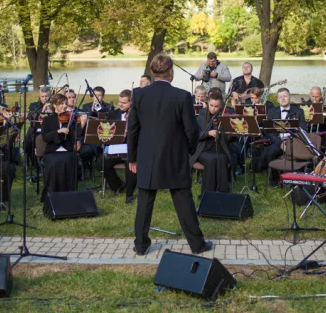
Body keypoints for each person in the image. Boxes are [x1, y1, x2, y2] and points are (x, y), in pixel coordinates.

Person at [128, 54, 211, 256]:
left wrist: (132, 157)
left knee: (144, 202)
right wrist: (190, 151)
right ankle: (197, 245)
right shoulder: (182, 96)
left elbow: (132, 129)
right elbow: (192, 130)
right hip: (175, 155)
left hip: (147, 155)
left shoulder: (138, 94)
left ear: (152, 73)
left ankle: (140, 245)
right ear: (171, 73)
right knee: (183, 201)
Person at [97, 90, 137, 203]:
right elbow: (107, 132)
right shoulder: (113, 114)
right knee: (101, 163)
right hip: (116, 147)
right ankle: (118, 185)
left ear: (131, 103)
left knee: (130, 162)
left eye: (124, 103)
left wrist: (128, 132)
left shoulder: (137, 115)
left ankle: (129, 194)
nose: (120, 104)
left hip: (131, 149)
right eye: (119, 102)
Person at [259, 88, 306, 184]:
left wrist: (290, 141)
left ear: (290, 97)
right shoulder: (272, 112)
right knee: (270, 151)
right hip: (278, 141)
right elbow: (270, 132)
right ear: (277, 99)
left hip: (293, 141)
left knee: (300, 153)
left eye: (285, 96)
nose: (283, 98)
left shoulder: (299, 111)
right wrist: (280, 143)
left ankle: (296, 179)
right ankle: (274, 179)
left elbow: (303, 130)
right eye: (280, 97)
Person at [38, 93, 80, 200]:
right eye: (61, 104)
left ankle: (69, 194)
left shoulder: (71, 119)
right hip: (52, 151)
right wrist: (58, 131)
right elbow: (45, 137)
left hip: (68, 150)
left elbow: (76, 135)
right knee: (53, 162)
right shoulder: (47, 120)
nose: (64, 106)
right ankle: (51, 194)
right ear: (54, 105)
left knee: (69, 160)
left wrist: (78, 127)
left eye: (65, 104)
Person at [192, 91, 234, 193]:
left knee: (221, 159)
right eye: (211, 105)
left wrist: (227, 131)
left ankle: (222, 193)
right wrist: (208, 133)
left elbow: (230, 140)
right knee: (211, 160)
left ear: (221, 106)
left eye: (216, 106)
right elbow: (196, 136)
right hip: (203, 149)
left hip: (220, 148)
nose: (213, 109)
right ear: (208, 103)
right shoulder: (202, 113)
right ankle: (207, 195)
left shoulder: (226, 114)